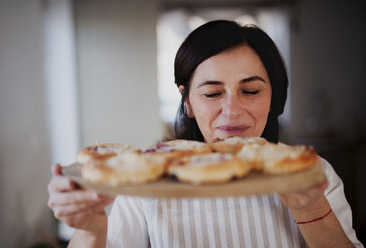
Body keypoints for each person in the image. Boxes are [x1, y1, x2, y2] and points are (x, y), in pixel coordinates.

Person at [47, 20, 363, 247]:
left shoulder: (313, 174)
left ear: (274, 98)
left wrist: (312, 210)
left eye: (250, 90)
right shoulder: (144, 184)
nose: (232, 110)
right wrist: (90, 230)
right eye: (212, 94)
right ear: (187, 102)